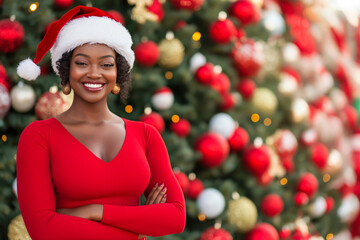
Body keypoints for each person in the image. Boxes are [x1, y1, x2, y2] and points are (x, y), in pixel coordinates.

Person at [16, 5, 186, 240]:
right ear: (66, 70)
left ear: (119, 72)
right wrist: (137, 226)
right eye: (82, 63)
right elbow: (43, 230)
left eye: (106, 64)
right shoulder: (39, 136)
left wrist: (95, 212)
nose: (94, 73)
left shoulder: (145, 135)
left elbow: (175, 217)